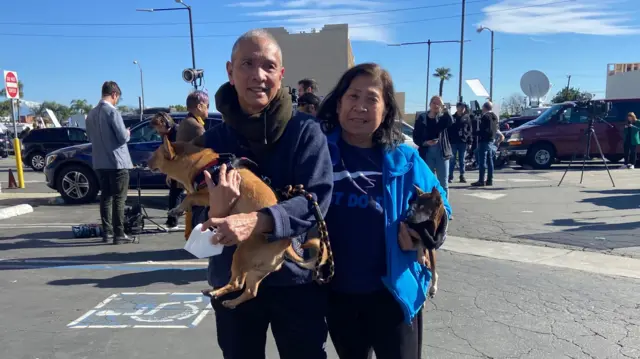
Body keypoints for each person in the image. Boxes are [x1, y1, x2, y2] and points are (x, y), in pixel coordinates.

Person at [192, 29, 333, 359]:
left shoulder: (304, 132)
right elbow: (196, 227)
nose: (258, 75)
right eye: (246, 64)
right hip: (232, 278)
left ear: (281, 74)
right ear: (230, 71)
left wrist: (259, 220)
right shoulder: (211, 143)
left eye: (268, 66)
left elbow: (317, 200)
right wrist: (214, 209)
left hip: (295, 281)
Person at [316, 62, 452, 359]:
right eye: (353, 97)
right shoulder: (318, 155)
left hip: (394, 292)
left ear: (386, 110)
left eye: (372, 99)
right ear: (339, 103)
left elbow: (440, 205)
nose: (360, 107)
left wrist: (420, 235)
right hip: (337, 295)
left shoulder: (406, 159)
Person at [85, 81, 133, 244]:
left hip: (100, 161)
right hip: (117, 162)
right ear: (114, 94)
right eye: (117, 97)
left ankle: (108, 233)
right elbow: (122, 137)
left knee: (105, 197)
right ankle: (119, 233)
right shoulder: (113, 112)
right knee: (119, 198)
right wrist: (127, 133)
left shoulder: (91, 114)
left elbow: (90, 138)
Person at [178, 91, 209, 237]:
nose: (208, 110)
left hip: (186, 174)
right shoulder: (196, 127)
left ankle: (190, 236)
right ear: (200, 106)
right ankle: (197, 238)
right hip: (196, 175)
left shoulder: (184, 123)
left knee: (192, 206)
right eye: (207, 106)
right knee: (199, 206)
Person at [412, 96, 453, 197]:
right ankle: (429, 207)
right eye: (434, 103)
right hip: (427, 153)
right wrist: (425, 143)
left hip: (441, 152)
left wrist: (444, 107)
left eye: (439, 103)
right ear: (430, 104)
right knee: (427, 181)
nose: (436, 105)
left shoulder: (443, 118)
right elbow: (416, 137)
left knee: (443, 183)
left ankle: (445, 209)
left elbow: (451, 121)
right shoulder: (422, 118)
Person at [150, 112, 182, 229]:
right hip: (174, 167)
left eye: (158, 127)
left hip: (181, 166)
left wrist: (171, 172)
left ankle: (172, 222)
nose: (157, 131)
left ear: (165, 123)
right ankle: (171, 221)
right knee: (174, 193)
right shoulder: (165, 134)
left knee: (176, 193)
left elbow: (177, 153)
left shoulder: (177, 132)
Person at [472, 101, 499, 187]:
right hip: (491, 140)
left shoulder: (485, 117)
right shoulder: (495, 117)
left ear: (484, 108)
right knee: (490, 161)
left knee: (482, 161)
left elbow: (485, 130)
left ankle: (481, 180)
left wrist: (476, 133)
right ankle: (489, 179)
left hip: (484, 140)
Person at [448, 102, 472, 183]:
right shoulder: (452, 117)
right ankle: (450, 176)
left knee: (462, 160)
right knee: (452, 160)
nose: (462, 109)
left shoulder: (467, 117)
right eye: (460, 107)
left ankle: (462, 176)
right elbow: (448, 130)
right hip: (453, 142)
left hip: (463, 142)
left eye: (463, 107)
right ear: (457, 108)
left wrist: (470, 141)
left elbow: (469, 130)